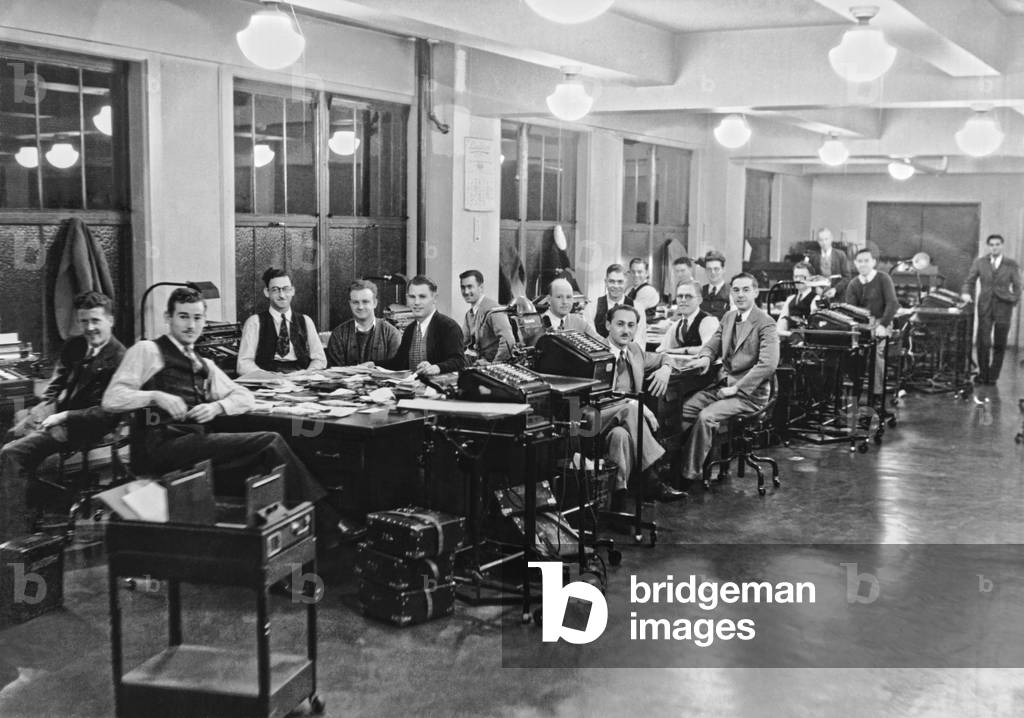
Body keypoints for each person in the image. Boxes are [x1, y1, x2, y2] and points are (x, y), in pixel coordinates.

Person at [102, 288, 354, 537]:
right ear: (168, 318)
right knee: (270, 442)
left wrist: (217, 406)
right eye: (183, 317)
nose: (191, 325)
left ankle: (291, 534)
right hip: (159, 446)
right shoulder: (147, 350)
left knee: (265, 460)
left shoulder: (204, 364)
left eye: (197, 318)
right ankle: (328, 521)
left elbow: (244, 397)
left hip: (193, 445)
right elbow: (111, 399)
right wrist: (155, 396)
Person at [0, 291, 126, 541]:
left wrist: (64, 417)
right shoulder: (75, 346)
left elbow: (106, 414)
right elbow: (55, 387)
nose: (89, 328)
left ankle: (12, 537)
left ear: (110, 320)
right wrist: (39, 413)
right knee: (9, 438)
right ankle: (33, 505)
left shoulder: (121, 358)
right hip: (56, 418)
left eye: (95, 320)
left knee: (11, 454)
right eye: (83, 321)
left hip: (87, 426)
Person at [678, 273, 779, 483]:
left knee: (706, 417)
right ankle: (681, 464)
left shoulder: (766, 323)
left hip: (749, 395)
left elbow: (768, 364)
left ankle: (688, 475)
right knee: (684, 409)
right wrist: (705, 358)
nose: (740, 295)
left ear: (756, 292)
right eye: (736, 290)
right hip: (722, 386)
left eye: (746, 290)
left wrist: (737, 388)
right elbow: (712, 344)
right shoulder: (728, 317)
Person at [601, 305, 685, 505]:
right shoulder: (596, 351)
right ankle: (653, 481)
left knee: (620, 436)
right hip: (597, 418)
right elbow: (594, 397)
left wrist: (665, 369)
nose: (626, 330)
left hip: (624, 424)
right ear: (608, 325)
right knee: (633, 408)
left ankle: (619, 499)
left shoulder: (634, 350)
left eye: (631, 325)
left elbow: (665, 357)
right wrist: (633, 404)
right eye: (620, 324)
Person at [237, 267, 327, 374]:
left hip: (300, 378)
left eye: (286, 289)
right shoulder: (254, 322)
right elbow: (243, 364)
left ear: (292, 291)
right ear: (267, 292)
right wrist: (268, 377)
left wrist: (306, 374)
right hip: (267, 380)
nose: (282, 295)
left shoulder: (306, 321)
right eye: (275, 290)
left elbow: (320, 360)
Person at [961, 234, 1021, 385]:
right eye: (992, 245)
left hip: (1004, 306)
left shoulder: (1011, 264)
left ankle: (993, 376)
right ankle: (983, 374)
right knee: (983, 341)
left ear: (1002, 246)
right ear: (988, 246)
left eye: (997, 244)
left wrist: (1012, 299)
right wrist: (966, 293)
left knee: (1000, 342)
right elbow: (969, 281)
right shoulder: (980, 262)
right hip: (985, 306)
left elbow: (1018, 285)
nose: (995, 247)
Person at [381, 275, 466, 376]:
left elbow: (459, 361)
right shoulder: (409, 330)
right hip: (411, 385)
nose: (416, 302)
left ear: (434, 298)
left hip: (438, 385)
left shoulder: (449, 327)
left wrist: (437, 367)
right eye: (412, 297)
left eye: (422, 297)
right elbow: (398, 363)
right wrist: (373, 364)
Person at [845, 248, 899, 405]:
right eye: (859, 261)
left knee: (877, 353)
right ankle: (854, 394)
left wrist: (883, 325)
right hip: (862, 325)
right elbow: (851, 310)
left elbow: (892, 303)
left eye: (866, 261)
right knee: (852, 353)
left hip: (881, 322)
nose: (863, 264)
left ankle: (876, 395)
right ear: (855, 264)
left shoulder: (883, 278)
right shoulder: (853, 284)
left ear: (873, 262)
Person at [325, 279, 401, 366]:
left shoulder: (391, 334)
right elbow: (335, 371)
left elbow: (395, 369)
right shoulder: (338, 335)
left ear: (375, 303)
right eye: (355, 302)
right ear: (350, 304)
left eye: (365, 302)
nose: (360, 307)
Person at [459, 269, 515, 363]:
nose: (466, 291)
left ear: (481, 287)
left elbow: (508, 341)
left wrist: (493, 365)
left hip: (493, 366)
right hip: (478, 363)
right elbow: (462, 342)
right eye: (463, 287)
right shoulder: (469, 314)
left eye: (470, 287)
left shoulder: (493, 309)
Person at [658, 279, 719, 356]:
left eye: (688, 296)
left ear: (700, 300)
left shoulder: (708, 321)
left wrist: (683, 350)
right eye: (680, 296)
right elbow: (661, 350)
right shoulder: (677, 325)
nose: (683, 300)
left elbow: (708, 349)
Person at [776, 262, 820, 336]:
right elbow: (779, 326)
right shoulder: (790, 299)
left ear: (812, 278)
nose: (798, 280)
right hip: (788, 338)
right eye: (796, 277)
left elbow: (813, 328)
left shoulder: (816, 299)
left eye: (802, 277)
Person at [592, 263, 634, 339]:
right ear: (606, 282)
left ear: (626, 283)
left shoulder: (636, 307)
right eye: (611, 281)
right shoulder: (592, 307)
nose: (616, 286)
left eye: (620, 282)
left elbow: (638, 341)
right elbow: (590, 337)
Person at [809, 228, 851, 299]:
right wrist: (815, 288)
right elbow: (810, 277)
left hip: (838, 295)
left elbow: (847, 277)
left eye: (826, 239)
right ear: (818, 241)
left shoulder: (840, 255)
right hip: (819, 295)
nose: (824, 243)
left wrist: (835, 289)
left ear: (831, 239)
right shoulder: (813, 257)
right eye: (821, 240)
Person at [626, 257, 661, 323]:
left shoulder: (648, 290)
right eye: (633, 272)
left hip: (644, 327)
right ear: (629, 273)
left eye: (639, 272)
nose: (636, 275)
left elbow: (632, 313)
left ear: (646, 273)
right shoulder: (629, 289)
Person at [700, 250, 733, 319]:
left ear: (723, 269)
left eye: (716, 269)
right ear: (705, 271)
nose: (712, 272)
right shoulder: (700, 291)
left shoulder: (732, 292)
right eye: (709, 269)